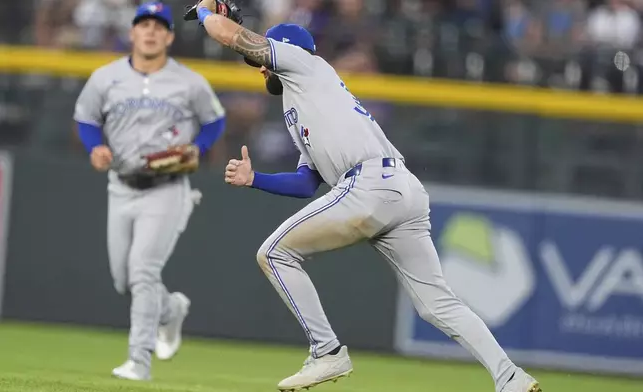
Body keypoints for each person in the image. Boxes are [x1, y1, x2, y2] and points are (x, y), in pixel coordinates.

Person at [188, 1, 541, 392]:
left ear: (286, 51)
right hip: (401, 189)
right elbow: (307, 183)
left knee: (274, 253)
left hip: (369, 184)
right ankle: (511, 378)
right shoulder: (301, 98)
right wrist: (256, 179)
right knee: (437, 304)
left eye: (268, 57)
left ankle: (327, 352)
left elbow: (230, 37)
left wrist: (207, 11)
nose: (262, 68)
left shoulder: (305, 65)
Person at [73, 1, 226, 381]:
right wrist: (95, 147)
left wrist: (199, 149)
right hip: (121, 185)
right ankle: (171, 309)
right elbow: (86, 118)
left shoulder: (189, 82)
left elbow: (214, 122)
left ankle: (138, 362)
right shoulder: (105, 77)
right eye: (144, 24)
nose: (151, 30)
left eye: (159, 25)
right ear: (133, 32)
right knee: (123, 280)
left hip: (167, 188)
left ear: (170, 36)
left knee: (142, 271)